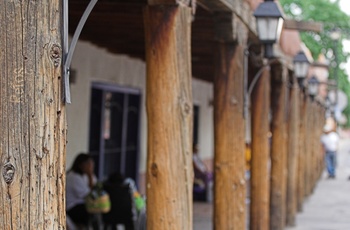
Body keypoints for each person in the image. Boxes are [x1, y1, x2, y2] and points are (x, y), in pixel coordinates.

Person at [66, 153, 96, 228]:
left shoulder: (84, 175)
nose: (90, 167)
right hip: (72, 207)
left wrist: (90, 175)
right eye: (88, 164)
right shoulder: (73, 177)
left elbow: (95, 186)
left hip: (81, 204)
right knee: (91, 211)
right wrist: (89, 175)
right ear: (81, 165)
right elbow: (89, 195)